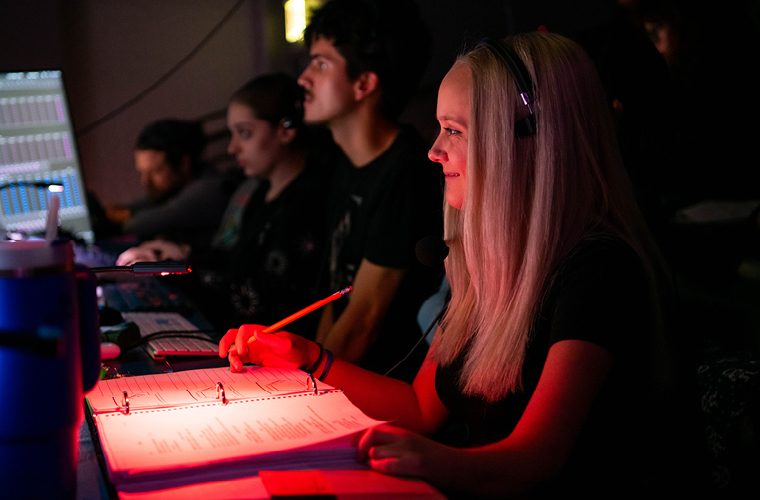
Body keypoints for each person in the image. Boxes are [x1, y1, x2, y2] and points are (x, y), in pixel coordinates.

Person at [220, 32, 675, 497]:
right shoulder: (489, 264)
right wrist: (307, 358)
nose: (434, 150)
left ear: (531, 138)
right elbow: (419, 408)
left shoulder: (599, 270)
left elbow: (539, 458)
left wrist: (434, 461)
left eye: (454, 131)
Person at [296, 0, 443, 381]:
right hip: (338, 380)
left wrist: (304, 386)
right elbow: (335, 291)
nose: (304, 78)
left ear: (365, 83)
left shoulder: (406, 172)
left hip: (381, 392)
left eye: (321, 64)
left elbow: (363, 321)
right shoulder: (347, 161)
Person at [117, 73, 332, 333]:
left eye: (245, 133)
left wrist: (173, 271)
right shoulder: (261, 192)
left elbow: (259, 298)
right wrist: (180, 254)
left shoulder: (307, 202)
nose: (232, 148)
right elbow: (235, 262)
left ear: (285, 129)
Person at [106, 119, 233, 247]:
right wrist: (118, 211)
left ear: (183, 164)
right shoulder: (174, 188)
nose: (145, 181)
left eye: (155, 171)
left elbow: (149, 221)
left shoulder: (210, 189)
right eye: (142, 172)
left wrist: (115, 219)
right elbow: (146, 202)